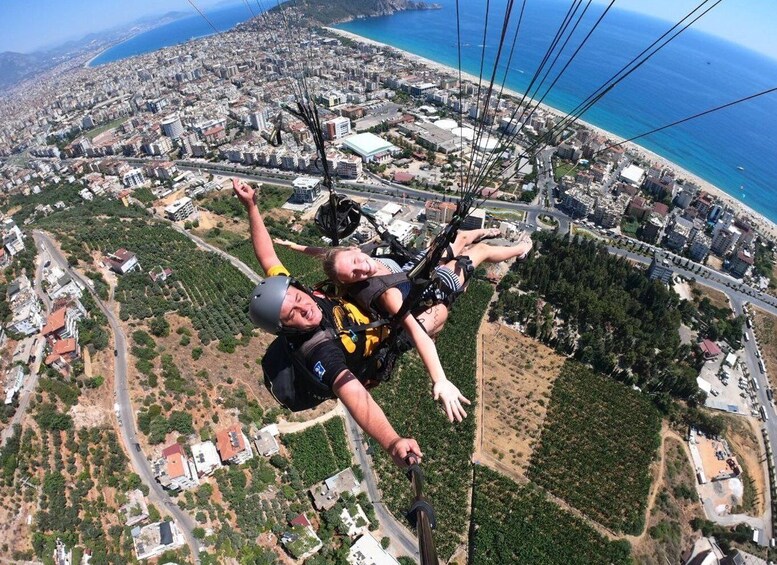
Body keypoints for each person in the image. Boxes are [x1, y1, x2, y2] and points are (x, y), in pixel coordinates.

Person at [234, 179, 430, 468]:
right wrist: (392, 442)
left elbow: (266, 256)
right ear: (286, 328)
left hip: (369, 308)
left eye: (299, 297)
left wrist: (251, 206)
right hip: (385, 339)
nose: (305, 308)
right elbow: (351, 392)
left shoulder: (296, 295)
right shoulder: (317, 351)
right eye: (293, 316)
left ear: (298, 287)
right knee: (440, 305)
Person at [274, 222, 533, 423]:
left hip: (412, 269)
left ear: (353, 250)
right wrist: (439, 379)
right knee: (480, 252)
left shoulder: (360, 256)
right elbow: (417, 333)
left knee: (460, 237)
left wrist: (294, 247)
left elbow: (326, 254)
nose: (360, 269)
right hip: (431, 288)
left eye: (355, 261)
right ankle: (521, 250)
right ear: (350, 283)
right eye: (353, 275)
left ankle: (484, 230)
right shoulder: (387, 295)